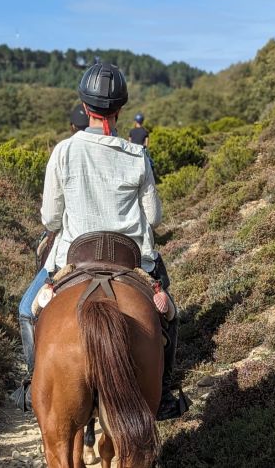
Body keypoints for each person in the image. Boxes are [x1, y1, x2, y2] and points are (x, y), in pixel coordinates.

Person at [11, 63, 186, 421]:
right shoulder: (137, 154)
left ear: (85, 106)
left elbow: (49, 220)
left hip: (74, 258)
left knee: (27, 311)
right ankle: (164, 392)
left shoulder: (63, 151)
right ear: (119, 109)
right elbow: (153, 218)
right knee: (168, 313)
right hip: (132, 260)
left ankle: (34, 384)